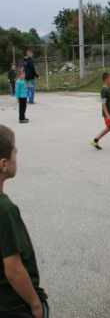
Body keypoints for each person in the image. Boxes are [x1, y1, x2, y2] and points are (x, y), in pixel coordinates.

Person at [0, 125, 50, 318]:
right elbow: (13, 270)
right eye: (15, 153)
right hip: (13, 306)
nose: (16, 158)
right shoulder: (5, 210)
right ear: (3, 164)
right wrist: (35, 304)